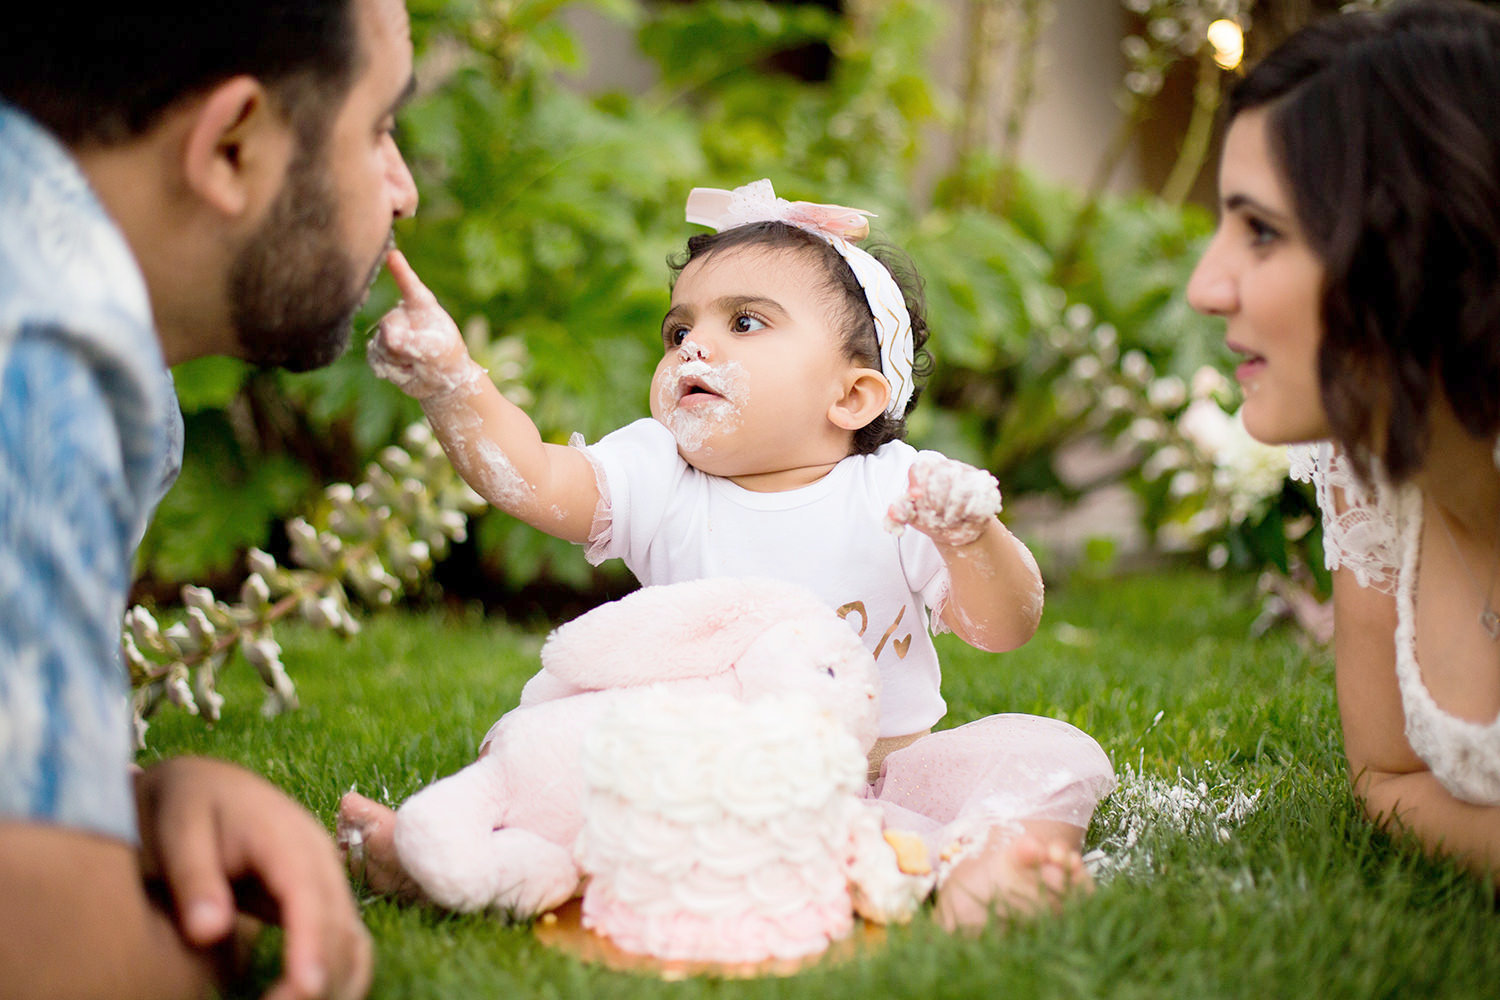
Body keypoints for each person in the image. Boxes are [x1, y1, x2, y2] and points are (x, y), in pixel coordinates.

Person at [338, 178, 1117, 929]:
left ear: (851, 397)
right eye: (679, 331)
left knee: (1037, 756)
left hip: (879, 778)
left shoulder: (901, 491)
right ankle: (450, 856)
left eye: (745, 323)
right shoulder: (660, 476)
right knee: (584, 773)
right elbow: (534, 477)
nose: (693, 348)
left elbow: (1005, 625)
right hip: (701, 780)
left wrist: (969, 535)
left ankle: (1000, 866)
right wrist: (451, 383)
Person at [0, 3, 419, 997]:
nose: (402, 190)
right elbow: (68, 967)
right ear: (232, 145)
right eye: (377, 128)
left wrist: (134, 802)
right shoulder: (39, 348)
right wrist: (206, 943)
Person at [1187, 0, 1500, 883]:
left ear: (1419, 244)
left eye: (1262, 231)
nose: (1205, 286)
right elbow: (1388, 775)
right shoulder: (1369, 470)